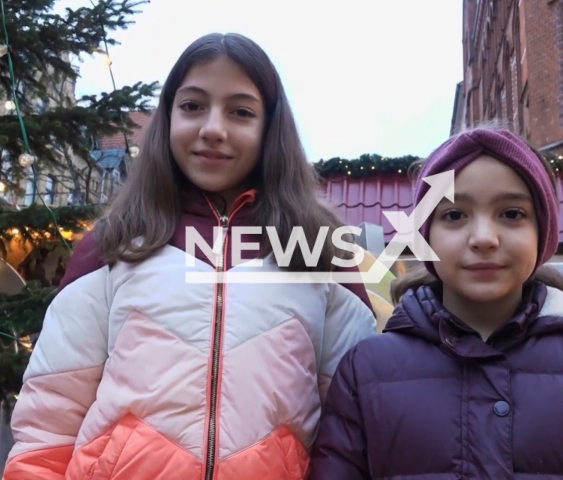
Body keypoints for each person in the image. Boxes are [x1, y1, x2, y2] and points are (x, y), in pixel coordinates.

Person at [3, 33, 376, 480]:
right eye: (193, 106)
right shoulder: (113, 245)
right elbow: (49, 424)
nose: (213, 128)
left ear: (269, 127)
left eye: (240, 111)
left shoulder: (320, 251)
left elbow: (357, 426)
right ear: (168, 117)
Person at [308, 127, 563, 479]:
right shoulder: (365, 371)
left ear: (542, 232)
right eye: (454, 215)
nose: (484, 238)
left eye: (512, 214)